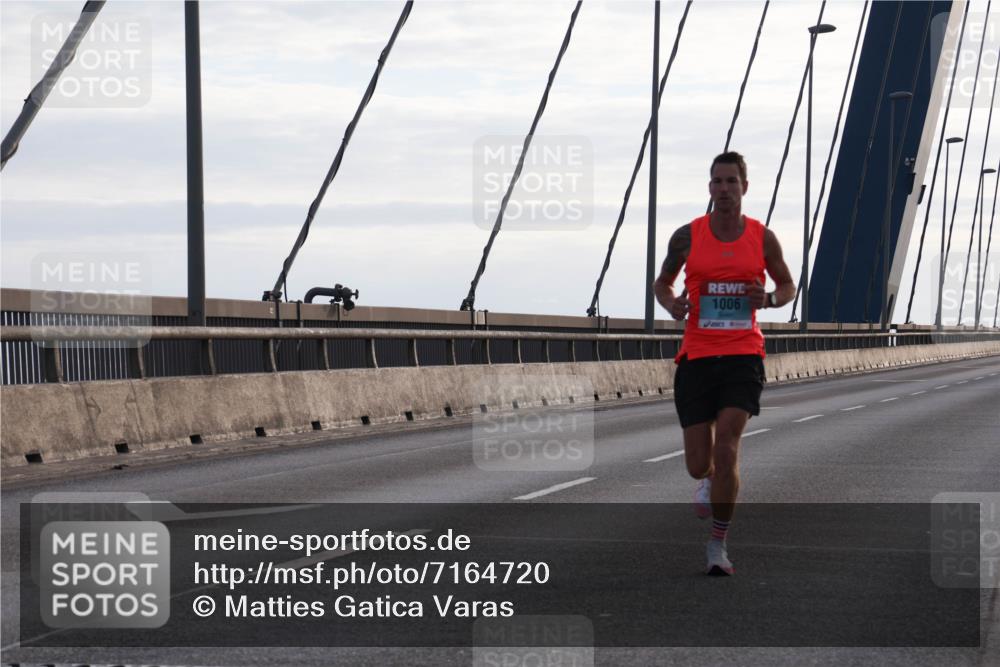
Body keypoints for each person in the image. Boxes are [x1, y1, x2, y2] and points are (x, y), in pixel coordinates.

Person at [653, 151, 795, 576]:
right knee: (699, 463)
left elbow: (788, 285)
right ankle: (707, 479)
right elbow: (663, 283)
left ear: (744, 187)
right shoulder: (688, 236)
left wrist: (769, 299)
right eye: (717, 181)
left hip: (743, 354)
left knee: (728, 445)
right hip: (697, 356)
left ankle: (718, 544)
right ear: (710, 187)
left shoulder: (762, 238)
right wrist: (672, 304)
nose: (724, 188)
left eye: (732, 181)